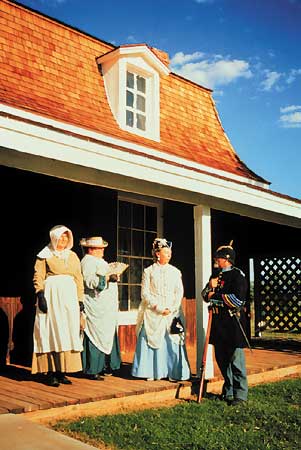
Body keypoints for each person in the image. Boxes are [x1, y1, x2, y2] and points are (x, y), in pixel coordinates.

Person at [32, 225, 84, 387]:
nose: (63, 240)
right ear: (54, 238)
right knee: (52, 330)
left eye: (66, 237)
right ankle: (51, 372)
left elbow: (78, 278)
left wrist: (80, 299)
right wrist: (40, 294)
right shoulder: (45, 254)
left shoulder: (73, 256)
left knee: (67, 330)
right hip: (52, 296)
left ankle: (62, 371)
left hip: (69, 298)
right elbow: (38, 275)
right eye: (60, 237)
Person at [132, 238, 190, 381]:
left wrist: (172, 308)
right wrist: (157, 307)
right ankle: (152, 372)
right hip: (154, 312)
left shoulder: (175, 272)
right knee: (152, 339)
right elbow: (145, 293)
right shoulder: (149, 271)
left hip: (171, 312)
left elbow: (179, 291)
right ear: (158, 254)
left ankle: (174, 372)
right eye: (166, 252)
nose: (169, 255)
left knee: (173, 339)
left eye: (170, 252)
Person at [202, 243, 248, 405]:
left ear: (227, 260)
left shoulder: (238, 276)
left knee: (236, 360)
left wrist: (215, 296)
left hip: (233, 323)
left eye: (219, 258)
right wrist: (210, 287)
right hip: (218, 323)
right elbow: (204, 295)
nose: (216, 260)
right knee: (221, 359)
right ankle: (228, 390)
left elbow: (237, 300)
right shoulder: (215, 275)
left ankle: (240, 394)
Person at [80, 236, 121, 380]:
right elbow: (90, 282)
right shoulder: (87, 262)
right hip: (95, 305)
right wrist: (107, 279)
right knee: (95, 334)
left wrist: (113, 276)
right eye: (99, 248)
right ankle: (93, 369)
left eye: (102, 248)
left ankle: (106, 366)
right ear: (91, 249)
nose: (102, 250)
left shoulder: (100, 261)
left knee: (106, 333)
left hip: (106, 307)